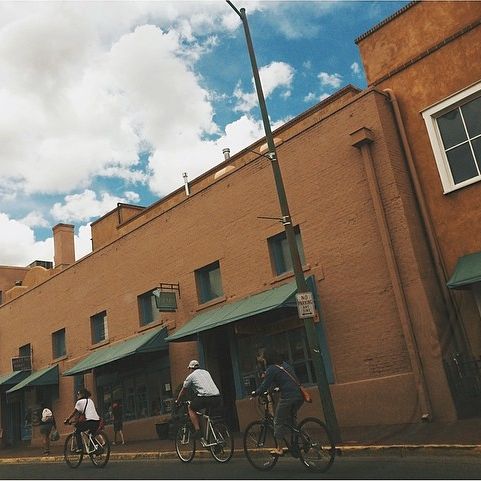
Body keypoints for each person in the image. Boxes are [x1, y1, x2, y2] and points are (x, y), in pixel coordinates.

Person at [252, 349, 304, 456]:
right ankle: (304, 440)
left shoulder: (271, 369)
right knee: (292, 420)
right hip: (300, 395)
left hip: (288, 397)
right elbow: (285, 381)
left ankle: (279, 448)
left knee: (277, 421)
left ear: (267, 359)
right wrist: (276, 389)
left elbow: (265, 385)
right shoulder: (285, 365)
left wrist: (255, 393)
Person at [175, 360, 221, 443]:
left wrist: (177, 401)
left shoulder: (191, 376)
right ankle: (212, 440)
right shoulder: (206, 372)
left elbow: (183, 390)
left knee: (191, 408)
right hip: (217, 397)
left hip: (205, 397)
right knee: (207, 417)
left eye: (189, 369)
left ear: (191, 368)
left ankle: (198, 431)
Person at [64, 388, 100, 453]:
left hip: (89, 421)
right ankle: (97, 447)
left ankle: (80, 448)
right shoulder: (90, 400)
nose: (77, 396)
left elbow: (74, 412)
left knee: (77, 430)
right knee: (90, 435)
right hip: (97, 421)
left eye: (78, 394)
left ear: (82, 394)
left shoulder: (79, 402)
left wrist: (67, 419)